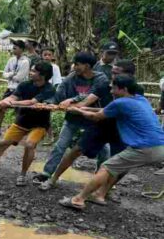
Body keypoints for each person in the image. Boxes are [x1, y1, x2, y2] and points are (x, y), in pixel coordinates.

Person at [59, 75, 164, 210]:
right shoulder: (141, 100)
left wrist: (77, 110)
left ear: (124, 89)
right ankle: (99, 194)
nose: (111, 92)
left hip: (144, 147)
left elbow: (96, 117)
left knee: (106, 168)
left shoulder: (120, 103)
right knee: (116, 167)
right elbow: (106, 110)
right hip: (160, 147)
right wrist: (84, 109)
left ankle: (78, 199)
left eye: (114, 88)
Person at [33, 52, 111, 187]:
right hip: (73, 118)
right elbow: (59, 94)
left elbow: (89, 97)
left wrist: (71, 100)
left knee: (104, 150)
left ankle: (100, 177)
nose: (74, 67)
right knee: (60, 146)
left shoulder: (101, 78)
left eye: (77, 64)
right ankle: (46, 173)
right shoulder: (71, 77)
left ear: (87, 66)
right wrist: (46, 103)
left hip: (93, 120)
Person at [0, 61, 56, 186]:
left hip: (40, 124)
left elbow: (31, 102)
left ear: (42, 75)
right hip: (22, 120)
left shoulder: (49, 89)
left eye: (34, 71)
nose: (30, 72)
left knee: (29, 145)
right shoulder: (25, 85)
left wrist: (11, 103)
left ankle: (22, 175)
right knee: (3, 143)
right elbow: (14, 97)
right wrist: (6, 101)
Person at [0, 40, 31, 136]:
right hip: (10, 87)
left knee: (18, 110)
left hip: (20, 89)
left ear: (22, 49)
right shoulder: (11, 60)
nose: (13, 50)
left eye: (15, 48)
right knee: (2, 107)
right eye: (13, 48)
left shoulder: (25, 62)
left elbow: (20, 78)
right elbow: (4, 74)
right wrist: (12, 74)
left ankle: (17, 131)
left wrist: (11, 76)